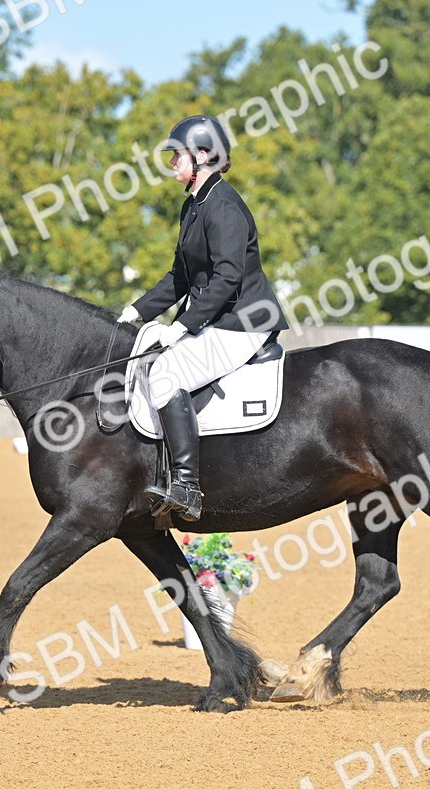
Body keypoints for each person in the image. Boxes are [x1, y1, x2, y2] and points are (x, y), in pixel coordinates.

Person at [118, 115, 289, 522]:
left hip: (243, 321)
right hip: (216, 319)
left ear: (203, 157)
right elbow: (180, 276)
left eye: (177, 155)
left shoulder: (224, 205)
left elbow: (228, 276)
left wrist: (183, 325)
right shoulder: (195, 205)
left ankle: (187, 486)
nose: (172, 161)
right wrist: (135, 312)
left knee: (164, 375)